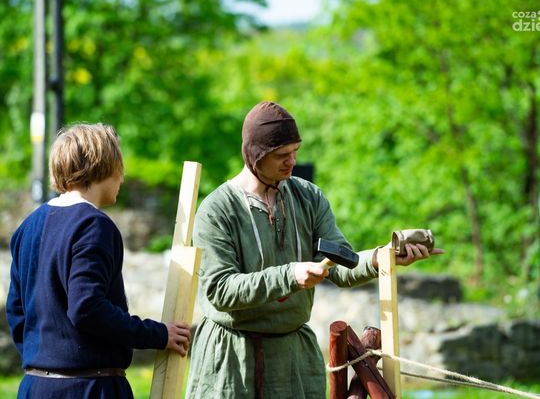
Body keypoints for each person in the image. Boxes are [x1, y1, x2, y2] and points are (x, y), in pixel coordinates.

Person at [185, 101, 444, 398]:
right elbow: (219, 290)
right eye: (282, 155)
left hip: (293, 356)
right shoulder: (217, 210)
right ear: (254, 155)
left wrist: (380, 258)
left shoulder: (308, 197)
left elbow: (340, 263)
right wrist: (290, 275)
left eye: (295, 151)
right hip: (233, 359)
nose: (292, 161)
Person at [6, 123, 191, 398]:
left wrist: (45, 360)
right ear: (103, 166)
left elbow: (16, 311)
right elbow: (87, 308)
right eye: (120, 168)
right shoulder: (93, 225)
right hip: (89, 388)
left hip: (35, 387)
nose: (122, 178)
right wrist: (158, 334)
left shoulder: (28, 226)